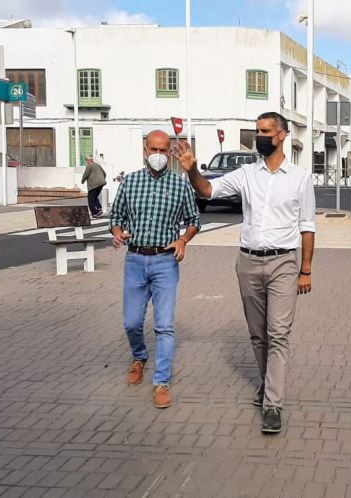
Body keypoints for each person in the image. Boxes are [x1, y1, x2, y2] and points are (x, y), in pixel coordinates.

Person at [175, 112, 316, 434]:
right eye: (257, 131)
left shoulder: (300, 177)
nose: (259, 137)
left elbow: (308, 226)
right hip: (248, 262)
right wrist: (192, 170)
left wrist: (305, 270)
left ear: (282, 135)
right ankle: (268, 385)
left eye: (265, 131)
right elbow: (208, 190)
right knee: (257, 334)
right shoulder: (246, 174)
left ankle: (273, 404)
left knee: (278, 333)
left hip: (284, 263)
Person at [108, 130, 201, 409]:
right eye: (153, 150)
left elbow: (194, 219)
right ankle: (139, 356)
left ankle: (161, 383)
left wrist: (183, 240)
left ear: (169, 152)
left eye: (163, 150)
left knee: (164, 325)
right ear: (145, 151)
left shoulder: (180, 184)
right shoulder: (130, 182)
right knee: (132, 322)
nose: (158, 155)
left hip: (165, 261)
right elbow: (116, 216)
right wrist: (116, 232)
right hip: (135, 259)